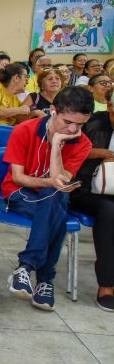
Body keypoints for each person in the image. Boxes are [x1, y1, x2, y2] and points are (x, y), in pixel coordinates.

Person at [4, 86, 94, 311]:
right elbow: (18, 177)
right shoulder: (24, 130)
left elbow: (60, 181)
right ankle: (45, 279)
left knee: (53, 197)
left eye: (80, 124)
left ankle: (25, 267)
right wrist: (52, 182)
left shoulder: (83, 143)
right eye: (68, 122)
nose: (73, 129)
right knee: (58, 216)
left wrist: (56, 146)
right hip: (19, 192)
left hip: (51, 196)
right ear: (53, 110)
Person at [70, 96, 114, 311]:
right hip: (84, 189)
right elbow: (70, 150)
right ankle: (106, 285)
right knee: (109, 211)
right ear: (110, 107)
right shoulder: (92, 123)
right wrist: (104, 153)